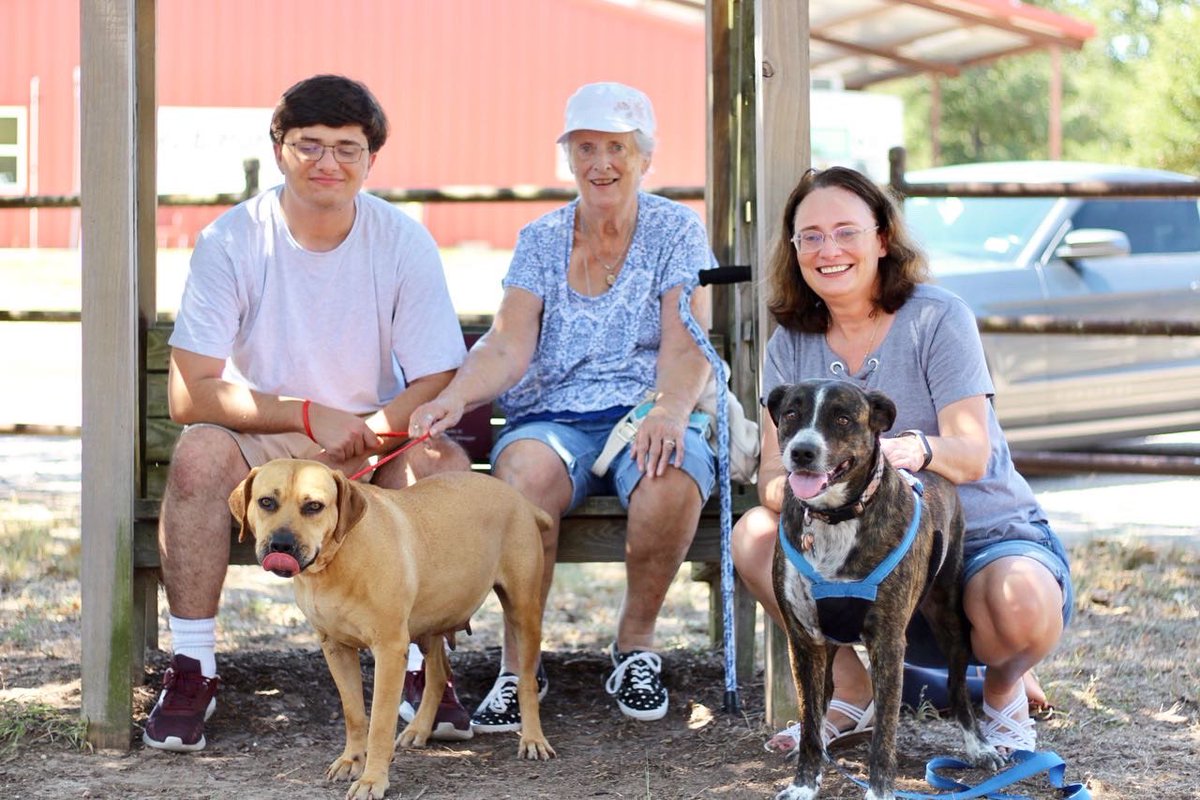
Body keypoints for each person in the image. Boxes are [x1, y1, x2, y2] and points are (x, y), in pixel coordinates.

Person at [142, 74, 474, 752]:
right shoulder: (232, 240)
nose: (328, 163)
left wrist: (376, 429)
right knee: (200, 454)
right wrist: (303, 416)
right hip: (268, 436)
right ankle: (193, 667)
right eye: (310, 146)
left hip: (374, 437)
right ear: (278, 149)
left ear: (372, 157)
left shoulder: (402, 242)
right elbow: (190, 393)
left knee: (441, 463)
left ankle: (416, 665)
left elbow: (438, 372)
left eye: (347, 148)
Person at [731, 166, 1074, 757]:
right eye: (809, 235)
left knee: (1019, 606)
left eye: (845, 231)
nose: (827, 249)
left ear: (882, 238)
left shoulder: (938, 317)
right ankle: (853, 689)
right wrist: (812, 487)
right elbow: (770, 477)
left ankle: (1000, 690)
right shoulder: (790, 343)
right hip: (853, 551)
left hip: (973, 540)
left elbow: (971, 453)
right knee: (755, 536)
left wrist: (914, 451)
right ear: (793, 250)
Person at [405, 81, 717, 730]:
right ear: (568, 156)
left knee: (669, 472)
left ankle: (635, 646)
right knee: (522, 477)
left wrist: (668, 410)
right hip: (555, 415)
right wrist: (454, 395)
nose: (600, 163)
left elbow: (686, 343)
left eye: (616, 148)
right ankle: (521, 664)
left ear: (644, 156)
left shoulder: (676, 230)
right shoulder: (541, 239)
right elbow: (507, 344)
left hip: (646, 407)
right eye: (585, 148)